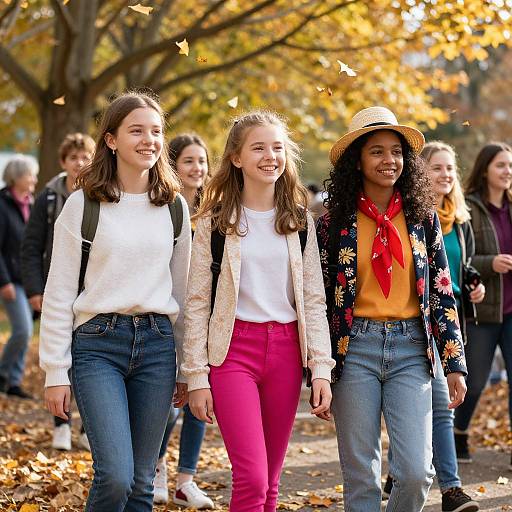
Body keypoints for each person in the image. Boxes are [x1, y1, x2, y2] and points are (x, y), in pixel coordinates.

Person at [39, 91, 191, 511]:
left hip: (158, 347)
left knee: (142, 483)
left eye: (157, 131)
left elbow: (183, 294)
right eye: (137, 130)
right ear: (110, 140)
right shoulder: (83, 204)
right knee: (117, 476)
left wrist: (189, 367)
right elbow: (59, 291)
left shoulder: (174, 207)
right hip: (97, 346)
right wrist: (56, 369)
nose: (150, 140)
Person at [182, 110, 334, 512]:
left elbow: (314, 300)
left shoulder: (300, 221)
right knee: (250, 477)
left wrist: (320, 368)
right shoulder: (214, 222)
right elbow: (197, 302)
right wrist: (196, 377)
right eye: (259, 147)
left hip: (286, 351)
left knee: (270, 482)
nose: (271, 156)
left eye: (278, 147)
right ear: (236, 157)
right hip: (233, 353)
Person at [317, 107, 467, 511]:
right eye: (377, 152)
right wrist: (316, 370)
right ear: (358, 161)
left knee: (418, 473)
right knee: (362, 475)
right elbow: (318, 301)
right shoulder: (332, 224)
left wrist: (454, 362)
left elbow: (441, 293)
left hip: (411, 351)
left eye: (396, 152)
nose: (389, 161)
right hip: (354, 352)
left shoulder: (423, 218)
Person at [383, 141, 482, 511]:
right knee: (438, 405)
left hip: (448, 321)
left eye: (449, 168)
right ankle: (447, 487)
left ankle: (414, 476)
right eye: (436, 168)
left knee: (435, 405)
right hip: (416, 326)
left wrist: (473, 281)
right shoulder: (413, 213)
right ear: (420, 172)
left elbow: (456, 268)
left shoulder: (459, 219)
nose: (445, 175)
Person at [21, 132, 95, 451]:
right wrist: (35, 289)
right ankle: (61, 424)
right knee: (59, 355)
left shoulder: (100, 195)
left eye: (85, 157)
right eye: (74, 158)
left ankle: (87, 427)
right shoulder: (48, 198)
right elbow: (31, 246)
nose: (80, 163)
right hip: (57, 287)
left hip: (92, 290)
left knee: (89, 359)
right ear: (63, 162)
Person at [153, 133, 214, 509]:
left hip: (206, 319)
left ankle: (185, 480)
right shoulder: (164, 210)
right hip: (169, 317)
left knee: (201, 398)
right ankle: (156, 469)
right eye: (189, 161)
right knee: (168, 404)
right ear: (173, 165)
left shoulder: (214, 213)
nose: (198, 168)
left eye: (203, 161)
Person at [454, 142, 512, 470]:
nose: (507, 172)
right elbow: (462, 259)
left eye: (510, 166)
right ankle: (459, 431)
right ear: (486, 169)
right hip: (484, 311)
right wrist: (492, 263)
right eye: (501, 165)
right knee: (474, 381)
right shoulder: (470, 209)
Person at [0, 155, 38, 399]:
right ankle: (3, 374)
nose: (34, 179)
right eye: (29, 175)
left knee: (25, 331)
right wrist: (3, 282)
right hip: (10, 281)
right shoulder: (2, 205)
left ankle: (13, 382)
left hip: (28, 280)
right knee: (23, 330)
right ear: (16, 177)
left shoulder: (31, 204)